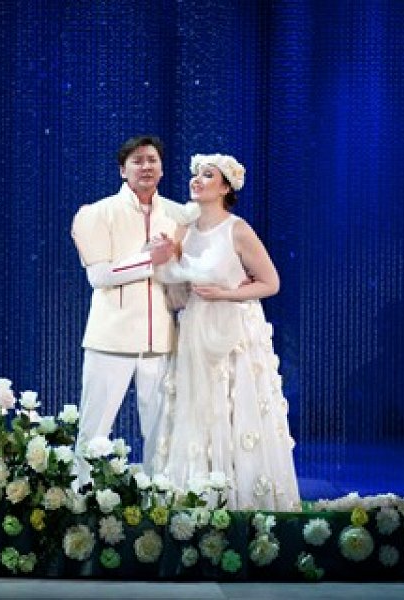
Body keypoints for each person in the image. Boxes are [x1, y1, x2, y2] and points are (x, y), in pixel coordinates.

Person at [150, 153, 301, 511]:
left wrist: (227, 294)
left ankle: (242, 496)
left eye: (207, 175)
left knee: (234, 406)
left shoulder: (237, 229)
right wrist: (164, 258)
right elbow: (175, 282)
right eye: (196, 174)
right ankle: (197, 492)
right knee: (198, 407)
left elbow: (271, 282)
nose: (197, 180)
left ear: (224, 187)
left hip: (233, 328)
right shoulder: (183, 230)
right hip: (196, 326)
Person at [70, 135, 195, 488]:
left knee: (161, 433)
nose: (146, 166)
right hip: (111, 338)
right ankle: (81, 498)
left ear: (162, 168)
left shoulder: (177, 215)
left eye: (152, 160)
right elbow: (99, 276)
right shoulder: (98, 213)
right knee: (94, 429)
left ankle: (159, 501)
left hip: (160, 340)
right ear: (123, 170)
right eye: (137, 161)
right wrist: (148, 259)